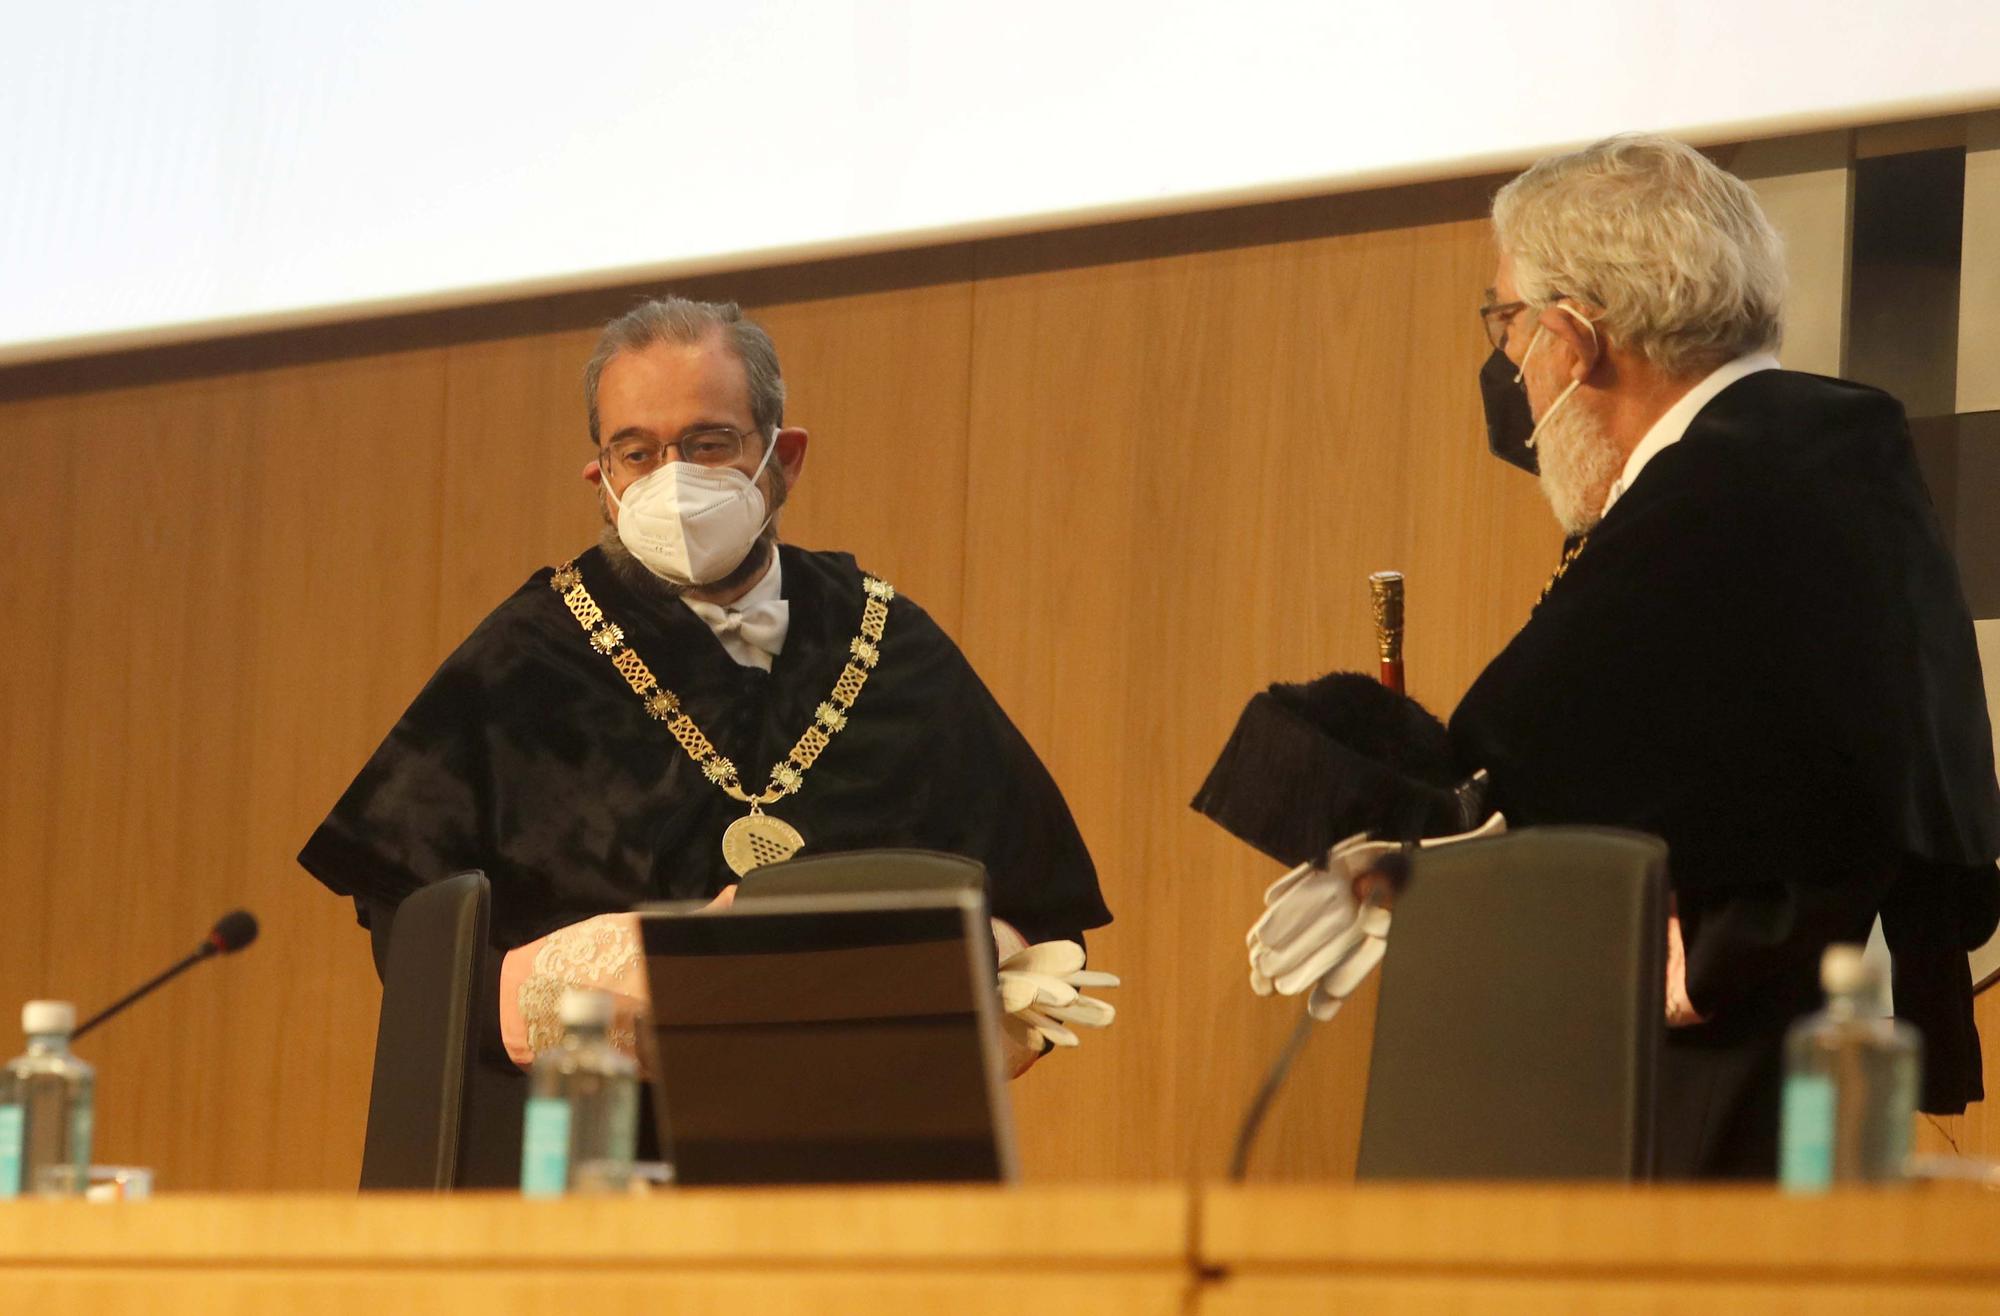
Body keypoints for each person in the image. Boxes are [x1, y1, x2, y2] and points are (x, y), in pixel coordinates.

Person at [300, 296, 1111, 1185]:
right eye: (637, 452)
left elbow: (1039, 919)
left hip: (861, 1176)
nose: (671, 478)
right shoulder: (525, 658)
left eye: (708, 443)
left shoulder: (887, 643)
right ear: (601, 480)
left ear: (782, 458)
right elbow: (424, 948)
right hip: (595, 1171)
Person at [1450, 134, 2000, 1177]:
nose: (1506, 360)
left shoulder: (1719, 492)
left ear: (1574, 337)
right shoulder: (1812, 450)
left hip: (1736, 1060)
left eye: (1508, 321)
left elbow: (1504, 755)